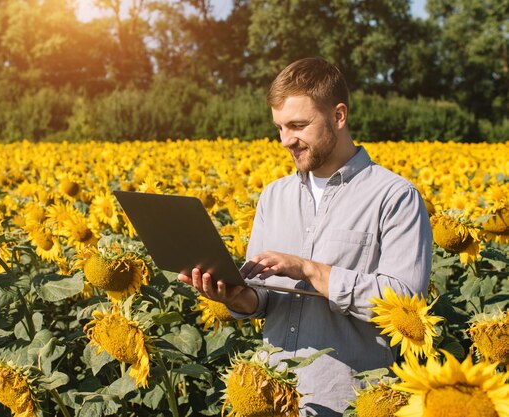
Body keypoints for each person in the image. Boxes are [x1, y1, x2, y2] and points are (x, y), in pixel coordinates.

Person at [178, 57, 432, 416]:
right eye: (280, 127)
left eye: (298, 125)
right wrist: (237, 297)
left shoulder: (394, 196)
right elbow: (262, 300)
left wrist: (311, 271)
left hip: (349, 400)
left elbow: (407, 303)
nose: (285, 140)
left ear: (339, 116)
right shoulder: (274, 196)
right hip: (270, 398)